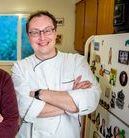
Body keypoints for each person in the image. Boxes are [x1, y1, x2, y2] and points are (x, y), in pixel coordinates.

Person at [11, 10, 101, 138]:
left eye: (47, 30)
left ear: (55, 32)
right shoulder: (19, 67)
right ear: (28, 36)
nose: (42, 37)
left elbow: (91, 100)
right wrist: (73, 105)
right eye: (35, 32)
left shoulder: (76, 61)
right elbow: (24, 108)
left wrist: (41, 94)